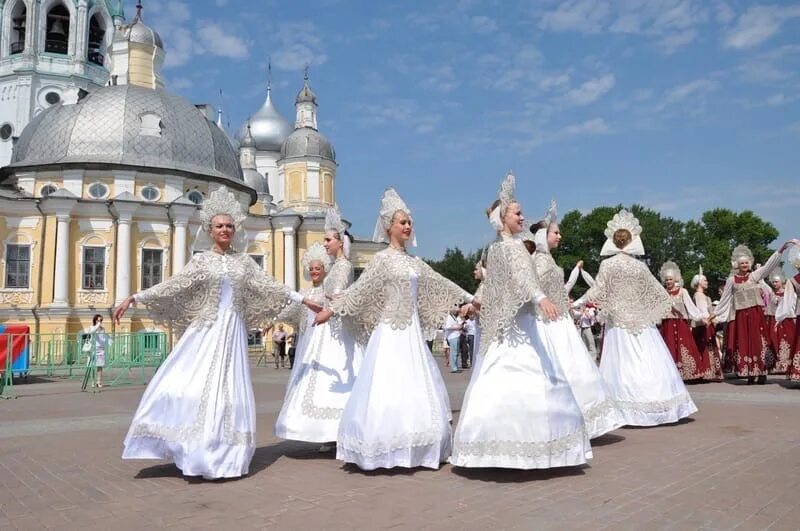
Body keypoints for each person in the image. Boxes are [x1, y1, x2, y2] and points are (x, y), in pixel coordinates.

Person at [113, 186, 321, 480]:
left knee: (229, 390)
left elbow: (269, 284)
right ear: (209, 230)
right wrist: (136, 296)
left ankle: (226, 455)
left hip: (232, 330)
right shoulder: (202, 261)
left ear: (235, 230)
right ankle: (193, 447)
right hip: (207, 329)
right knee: (191, 383)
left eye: (229, 226)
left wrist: (302, 299)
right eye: (220, 226)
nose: (225, 230)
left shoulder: (244, 262)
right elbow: (174, 284)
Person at [313, 187, 475, 470]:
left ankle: (419, 446)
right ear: (389, 227)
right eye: (402, 222)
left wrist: (472, 298)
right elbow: (361, 290)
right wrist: (331, 309)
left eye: (410, 222)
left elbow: (441, 281)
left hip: (410, 331)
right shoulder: (382, 259)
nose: (408, 226)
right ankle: (383, 445)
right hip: (390, 330)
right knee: (387, 383)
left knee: (418, 384)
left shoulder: (414, 262)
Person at [450, 174, 591, 470]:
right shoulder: (505, 248)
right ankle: (517, 446)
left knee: (511, 378)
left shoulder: (507, 247)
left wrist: (536, 297)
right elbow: (499, 283)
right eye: (518, 212)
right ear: (503, 218)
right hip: (512, 326)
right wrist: (474, 303)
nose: (523, 216)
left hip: (518, 321)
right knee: (524, 378)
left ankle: (503, 447)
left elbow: (522, 280)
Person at [585, 209, 697, 426]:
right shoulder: (639, 266)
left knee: (621, 362)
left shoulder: (607, 264)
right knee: (648, 358)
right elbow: (657, 291)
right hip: (640, 319)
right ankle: (659, 403)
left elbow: (597, 291)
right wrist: (670, 306)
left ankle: (623, 408)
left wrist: (579, 302)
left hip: (618, 321)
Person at [528, 201, 624, 439]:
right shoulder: (539, 261)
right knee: (564, 368)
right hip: (547, 322)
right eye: (556, 232)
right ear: (543, 235)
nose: (560, 236)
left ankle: (581, 418)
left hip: (560, 320)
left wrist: (569, 299)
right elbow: (532, 290)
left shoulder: (547, 260)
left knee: (576, 367)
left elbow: (562, 287)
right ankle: (566, 421)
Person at [275, 241, 362, 447]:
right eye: (312, 269)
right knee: (309, 383)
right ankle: (320, 433)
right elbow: (289, 311)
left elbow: (340, 303)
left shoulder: (329, 289)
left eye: (318, 268)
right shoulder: (304, 293)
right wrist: (272, 322)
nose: (315, 272)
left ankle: (336, 432)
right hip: (310, 345)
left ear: (325, 270)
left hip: (333, 340)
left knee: (329, 384)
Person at [712, 240, 798, 384]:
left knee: (760, 342)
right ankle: (750, 373)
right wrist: (715, 313)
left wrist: (781, 250)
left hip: (756, 315)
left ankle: (762, 372)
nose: (745, 265)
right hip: (740, 316)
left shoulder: (754, 276)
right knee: (745, 343)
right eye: (742, 263)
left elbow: (768, 266)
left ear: (750, 263)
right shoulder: (731, 281)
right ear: (736, 265)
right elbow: (725, 299)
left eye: (747, 262)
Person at [657, 262, 710, 381]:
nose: (668, 282)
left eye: (670, 279)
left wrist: (701, 317)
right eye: (666, 280)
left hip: (680, 324)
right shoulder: (663, 294)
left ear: (675, 279)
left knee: (684, 346)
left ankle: (689, 373)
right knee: (669, 347)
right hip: (667, 325)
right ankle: (670, 374)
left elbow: (691, 307)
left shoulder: (682, 292)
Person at [690, 268, 724, 381]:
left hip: (705, 323)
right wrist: (711, 319)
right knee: (705, 348)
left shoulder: (703, 295)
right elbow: (702, 311)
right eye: (705, 280)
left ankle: (708, 371)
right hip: (702, 325)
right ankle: (705, 371)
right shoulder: (699, 295)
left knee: (708, 347)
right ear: (699, 282)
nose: (707, 282)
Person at [776, 244, 800, 381]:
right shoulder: (793, 281)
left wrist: (780, 317)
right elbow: (788, 301)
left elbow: (788, 301)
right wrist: (780, 317)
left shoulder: (793, 280)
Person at [764, 272, 795, 374]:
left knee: (787, 341)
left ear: (782, 281)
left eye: (776, 282)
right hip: (773, 320)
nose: (774, 284)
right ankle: (774, 366)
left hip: (786, 321)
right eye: (773, 282)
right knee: (773, 341)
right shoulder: (771, 294)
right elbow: (764, 287)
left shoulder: (789, 293)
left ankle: (786, 365)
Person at [85, 314, 111, 388]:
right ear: (95, 320)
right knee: (92, 366)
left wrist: (107, 343)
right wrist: (97, 325)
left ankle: (98, 382)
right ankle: (93, 382)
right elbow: (92, 332)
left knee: (100, 366)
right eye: (98, 320)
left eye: (101, 320)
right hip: (93, 349)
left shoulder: (102, 329)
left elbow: (103, 339)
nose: (100, 322)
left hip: (100, 349)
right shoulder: (92, 327)